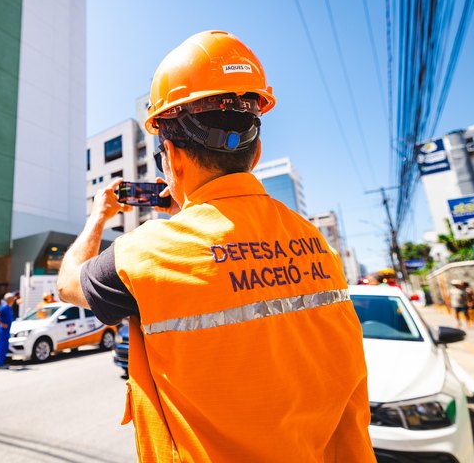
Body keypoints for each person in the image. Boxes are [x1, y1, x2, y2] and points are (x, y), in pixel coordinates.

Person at [56, 30, 374, 462]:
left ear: (171, 154)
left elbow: (68, 283)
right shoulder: (315, 239)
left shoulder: (149, 251)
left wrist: (98, 216)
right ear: (256, 151)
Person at [0, 292, 16, 370]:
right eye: (12, 298)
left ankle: (1, 361)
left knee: (4, 346)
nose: (14, 299)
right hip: (3, 330)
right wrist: (1, 324)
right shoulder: (4, 307)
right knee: (1, 346)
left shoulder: (8, 307)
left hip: (6, 330)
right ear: (9, 299)